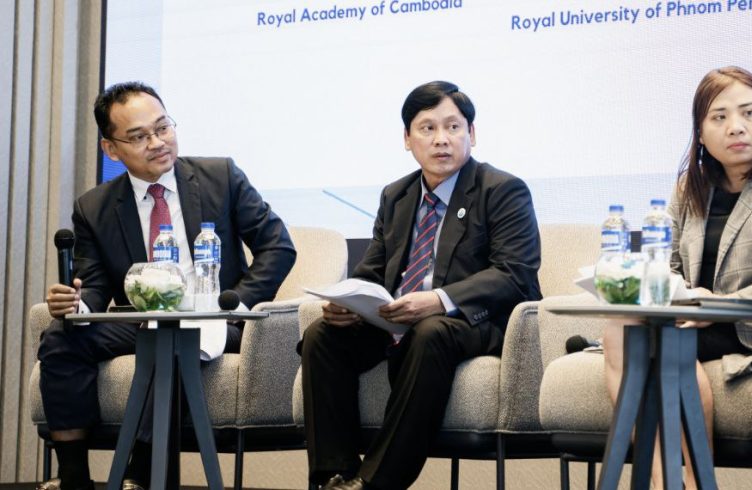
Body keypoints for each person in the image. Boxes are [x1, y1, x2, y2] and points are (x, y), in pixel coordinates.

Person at [37, 81, 297, 490]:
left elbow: (278, 247)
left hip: (215, 318)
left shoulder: (220, 176)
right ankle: (73, 477)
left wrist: (235, 305)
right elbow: (96, 287)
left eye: (163, 127)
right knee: (60, 337)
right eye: (139, 136)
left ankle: (140, 473)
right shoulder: (94, 207)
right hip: (141, 319)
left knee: (174, 339)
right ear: (111, 149)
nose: (158, 142)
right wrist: (77, 304)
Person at [299, 81, 542, 490]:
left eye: (453, 127)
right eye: (428, 128)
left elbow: (514, 274)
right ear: (407, 139)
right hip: (400, 319)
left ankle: (375, 484)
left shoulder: (502, 190)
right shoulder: (397, 195)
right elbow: (373, 269)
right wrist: (349, 301)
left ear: (472, 134)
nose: (441, 139)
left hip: (473, 322)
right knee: (322, 335)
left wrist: (439, 300)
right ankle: (333, 477)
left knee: (430, 331)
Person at [602, 66, 752, 488]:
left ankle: (693, 481)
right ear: (701, 133)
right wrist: (679, 297)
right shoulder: (690, 188)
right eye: (719, 117)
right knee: (620, 327)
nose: (736, 127)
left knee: (664, 347)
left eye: (749, 112)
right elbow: (667, 266)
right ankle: (664, 480)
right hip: (691, 318)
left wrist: (718, 307)